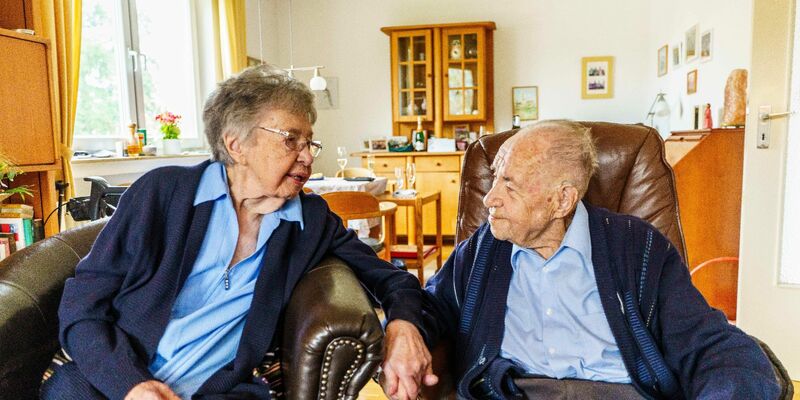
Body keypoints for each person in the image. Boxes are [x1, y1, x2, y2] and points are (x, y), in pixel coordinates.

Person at [41, 65, 433, 399]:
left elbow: (393, 279)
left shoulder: (309, 221)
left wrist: (403, 326)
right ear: (235, 144)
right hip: (115, 380)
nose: (309, 156)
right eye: (291, 139)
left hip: (216, 390)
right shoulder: (162, 194)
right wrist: (131, 384)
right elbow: (82, 306)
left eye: (310, 141)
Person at [405, 120, 780, 399]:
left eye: (510, 185)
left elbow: (709, 343)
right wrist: (402, 328)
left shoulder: (637, 248)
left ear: (563, 200)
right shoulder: (485, 248)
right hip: (515, 391)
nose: (490, 199)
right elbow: (430, 308)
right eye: (494, 179)